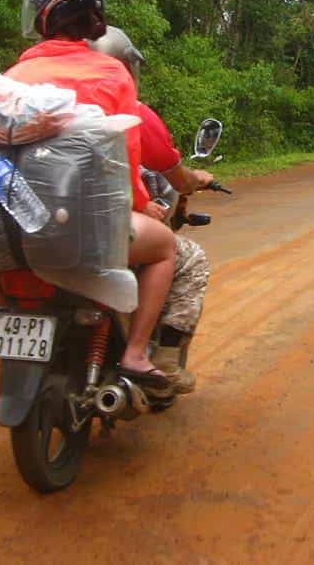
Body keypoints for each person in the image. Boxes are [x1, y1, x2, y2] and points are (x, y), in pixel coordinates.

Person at [0, 0, 176, 396]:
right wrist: (139, 204)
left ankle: (9, 318)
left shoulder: (12, 76)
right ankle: (134, 353)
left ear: (42, 19)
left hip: (25, 218)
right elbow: (125, 156)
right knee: (165, 248)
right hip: (90, 224)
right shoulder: (112, 75)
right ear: (94, 19)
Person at [89, 25, 214, 394]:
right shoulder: (132, 111)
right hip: (108, 226)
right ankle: (150, 357)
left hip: (43, 225)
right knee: (187, 259)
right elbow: (176, 175)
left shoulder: (50, 103)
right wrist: (197, 178)